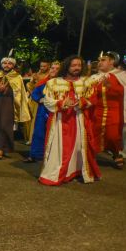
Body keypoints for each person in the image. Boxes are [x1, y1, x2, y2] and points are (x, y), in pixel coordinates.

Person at [39, 56, 101, 186]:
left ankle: (75, 171)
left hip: (79, 120)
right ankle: (59, 173)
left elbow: (93, 99)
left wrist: (81, 102)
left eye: (79, 65)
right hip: (59, 121)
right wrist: (61, 103)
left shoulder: (86, 82)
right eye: (73, 65)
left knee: (80, 146)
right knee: (60, 148)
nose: (77, 68)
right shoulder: (53, 83)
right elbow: (47, 101)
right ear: (67, 66)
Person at [90, 53, 126, 168]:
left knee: (113, 135)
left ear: (112, 62)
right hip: (97, 111)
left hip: (114, 111)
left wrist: (110, 86)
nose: (100, 62)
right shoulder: (94, 77)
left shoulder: (121, 76)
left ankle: (116, 153)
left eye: (103, 60)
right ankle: (91, 156)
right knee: (94, 133)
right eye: (99, 60)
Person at [0, 57, 30, 159]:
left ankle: (2, 149)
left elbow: (19, 93)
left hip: (9, 103)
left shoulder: (17, 77)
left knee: (5, 125)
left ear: (13, 65)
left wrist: (6, 89)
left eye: (9, 63)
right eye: (4, 63)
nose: (6, 65)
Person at [24, 62, 60, 163]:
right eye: (52, 68)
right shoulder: (43, 82)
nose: (54, 70)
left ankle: (51, 156)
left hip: (57, 112)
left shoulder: (63, 83)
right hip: (43, 110)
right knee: (39, 132)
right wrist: (39, 99)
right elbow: (35, 93)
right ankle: (35, 155)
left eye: (57, 69)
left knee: (54, 134)